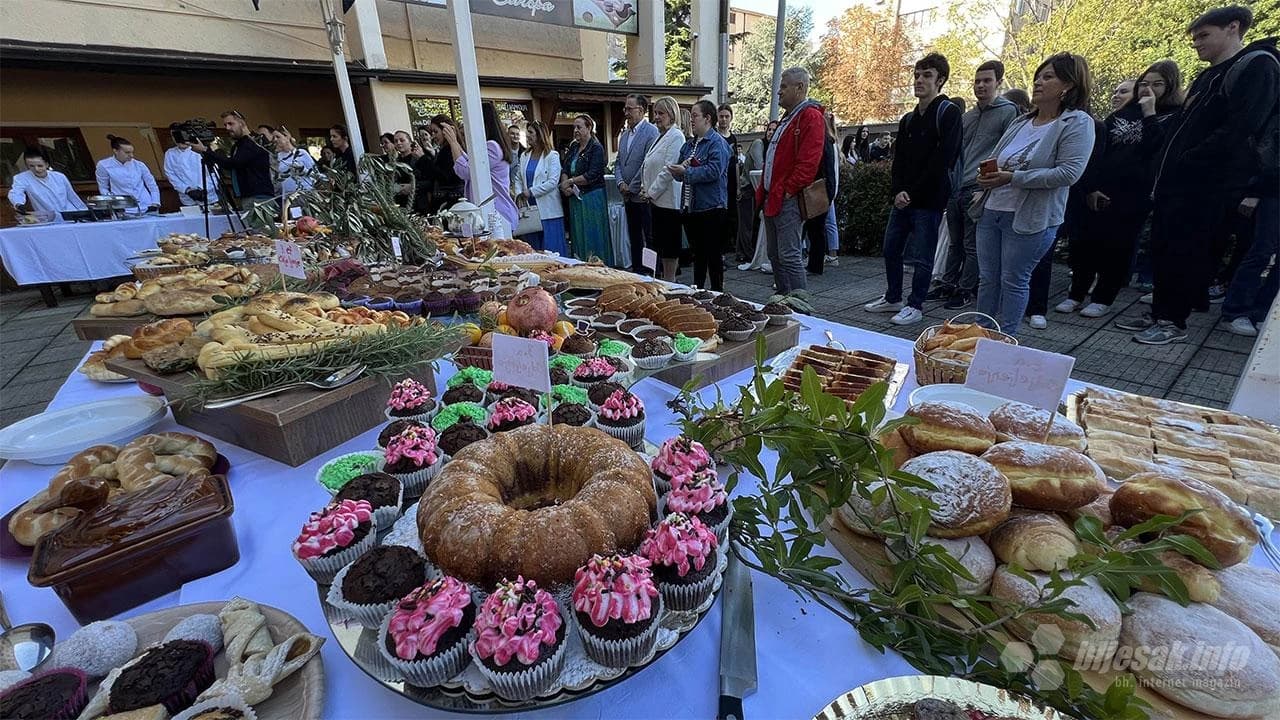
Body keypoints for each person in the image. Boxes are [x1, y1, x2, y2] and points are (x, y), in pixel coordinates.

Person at [1118, 5, 1279, 344]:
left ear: (1233, 27)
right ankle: (1160, 312)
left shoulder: (1257, 65)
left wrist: (1190, 160)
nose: (1196, 44)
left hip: (1206, 186)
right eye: (1194, 38)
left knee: (1187, 252)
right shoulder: (1208, 75)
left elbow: (1241, 128)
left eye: (1204, 35)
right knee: (1165, 249)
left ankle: (1173, 321)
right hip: (1174, 183)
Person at [973, 52, 1095, 337]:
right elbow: (997, 159)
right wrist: (986, 177)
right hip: (992, 211)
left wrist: (1013, 178)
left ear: (1069, 84)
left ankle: (1005, 341)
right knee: (988, 279)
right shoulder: (1021, 122)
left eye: (1048, 77)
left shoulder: (1077, 122)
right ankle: (978, 338)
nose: (1038, 82)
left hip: (1030, 218)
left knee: (1014, 280)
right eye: (1038, 76)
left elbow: (1068, 173)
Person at [1057, 61, 1183, 319]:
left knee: (1117, 248)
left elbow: (1157, 148)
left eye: (1157, 84)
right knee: (1085, 244)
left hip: (1134, 195)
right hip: (1101, 189)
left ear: (1170, 86)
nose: (1148, 89)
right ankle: (1076, 293)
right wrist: (1091, 187)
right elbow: (1098, 150)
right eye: (1144, 83)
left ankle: (1103, 297)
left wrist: (1150, 113)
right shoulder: (1122, 114)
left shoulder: (1173, 117)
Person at [865, 53, 963, 326]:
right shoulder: (908, 119)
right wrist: (897, 191)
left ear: (940, 80)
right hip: (904, 199)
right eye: (917, 75)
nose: (919, 80)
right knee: (891, 249)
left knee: (922, 256)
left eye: (927, 75)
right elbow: (899, 161)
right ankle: (893, 297)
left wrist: (912, 193)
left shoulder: (948, 113)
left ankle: (915, 304)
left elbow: (943, 159)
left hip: (928, 200)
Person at [931, 60, 1020, 310]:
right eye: (977, 81)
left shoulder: (1008, 113)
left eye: (987, 81)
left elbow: (1005, 152)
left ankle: (965, 289)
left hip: (978, 187)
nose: (980, 85)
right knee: (954, 242)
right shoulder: (967, 117)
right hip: (957, 186)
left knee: (972, 245)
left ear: (998, 83)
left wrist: (986, 188)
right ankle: (947, 283)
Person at [758, 66, 825, 310]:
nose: (779, 91)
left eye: (784, 86)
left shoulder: (810, 117)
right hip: (774, 196)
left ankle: (800, 307)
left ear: (800, 88)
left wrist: (789, 190)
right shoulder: (789, 118)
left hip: (786, 198)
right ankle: (784, 301)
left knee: (789, 254)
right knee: (775, 254)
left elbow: (809, 161)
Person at [668, 100, 731, 291]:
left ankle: (718, 294)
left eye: (695, 115)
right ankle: (698, 291)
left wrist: (686, 172)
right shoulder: (689, 145)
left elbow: (714, 171)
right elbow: (680, 172)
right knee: (698, 255)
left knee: (713, 256)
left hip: (711, 208)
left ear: (707, 118)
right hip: (691, 207)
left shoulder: (717, 143)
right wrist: (677, 170)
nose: (691, 120)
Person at [447, 102, 519, 235]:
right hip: (491, 213)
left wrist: (453, 142)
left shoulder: (492, 147)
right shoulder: (492, 145)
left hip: (497, 214)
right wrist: (456, 143)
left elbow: (466, 171)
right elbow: (469, 163)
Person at [639, 96, 686, 281]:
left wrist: (651, 192)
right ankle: (660, 278)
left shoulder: (676, 136)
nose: (656, 117)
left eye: (661, 113)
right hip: (655, 200)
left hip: (667, 201)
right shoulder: (660, 137)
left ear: (671, 114)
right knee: (658, 243)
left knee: (669, 246)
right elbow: (648, 165)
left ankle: (670, 280)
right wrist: (644, 188)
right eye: (655, 113)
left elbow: (668, 169)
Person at [615, 94, 660, 273]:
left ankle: (651, 272)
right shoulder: (625, 135)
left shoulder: (651, 132)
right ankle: (637, 269)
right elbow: (618, 162)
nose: (625, 112)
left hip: (643, 195)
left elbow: (647, 164)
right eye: (625, 108)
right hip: (627, 196)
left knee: (649, 236)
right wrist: (620, 183)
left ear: (641, 110)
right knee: (634, 236)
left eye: (629, 109)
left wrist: (631, 187)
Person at [190, 111, 273, 205]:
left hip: (258, 196)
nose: (227, 128)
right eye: (225, 125)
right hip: (248, 196)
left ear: (242, 123)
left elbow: (233, 163)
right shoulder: (238, 145)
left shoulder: (253, 142)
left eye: (231, 124)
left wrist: (205, 150)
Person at [561, 114, 611, 263]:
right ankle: (581, 263)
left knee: (592, 233)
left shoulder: (596, 148)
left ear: (589, 128)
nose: (575, 130)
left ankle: (597, 263)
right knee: (578, 233)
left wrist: (570, 181)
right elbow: (565, 168)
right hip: (575, 197)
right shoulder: (574, 147)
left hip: (592, 197)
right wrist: (565, 185)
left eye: (579, 127)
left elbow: (593, 174)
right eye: (574, 128)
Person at [512, 121, 567, 255]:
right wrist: (519, 194)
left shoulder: (552, 156)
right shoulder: (524, 156)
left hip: (548, 211)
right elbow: (518, 178)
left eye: (531, 132)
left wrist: (531, 192)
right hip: (528, 210)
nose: (527, 135)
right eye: (527, 132)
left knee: (551, 250)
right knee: (533, 250)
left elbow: (552, 182)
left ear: (540, 134)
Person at [8, 147, 87, 217]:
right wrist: (18, 204)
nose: (36, 169)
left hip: (71, 215)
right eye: (31, 166)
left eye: (40, 166)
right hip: (48, 219)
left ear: (46, 164)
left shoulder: (59, 176)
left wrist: (85, 212)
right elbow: (16, 192)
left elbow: (72, 197)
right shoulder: (22, 178)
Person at [806, 111, 840, 275]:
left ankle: (815, 264)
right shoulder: (829, 140)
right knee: (818, 228)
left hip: (819, 189)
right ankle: (816, 263)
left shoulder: (823, 141)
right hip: (824, 189)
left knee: (815, 229)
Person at [95, 134, 159, 212]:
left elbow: (152, 184)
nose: (131, 155)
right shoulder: (104, 165)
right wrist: (113, 204)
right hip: (123, 207)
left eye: (132, 152)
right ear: (115, 151)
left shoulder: (139, 165)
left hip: (146, 205)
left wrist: (155, 203)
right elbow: (103, 187)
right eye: (127, 152)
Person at [163, 129, 218, 207]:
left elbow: (214, 173)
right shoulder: (170, 154)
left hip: (209, 196)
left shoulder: (200, 150)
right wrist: (187, 190)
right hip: (188, 199)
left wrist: (202, 188)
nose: (178, 138)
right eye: (174, 136)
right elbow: (171, 175)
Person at [423, 115, 466, 213]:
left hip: (450, 201)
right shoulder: (446, 149)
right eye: (432, 132)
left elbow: (445, 176)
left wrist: (423, 159)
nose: (433, 136)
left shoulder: (450, 150)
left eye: (436, 132)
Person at [716, 103, 740, 262]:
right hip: (719, 181)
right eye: (721, 116)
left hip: (731, 182)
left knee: (731, 216)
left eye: (727, 116)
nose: (724, 119)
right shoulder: (714, 136)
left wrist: (738, 186)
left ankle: (728, 249)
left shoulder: (733, 138)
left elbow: (736, 163)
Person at [272, 126, 316, 198]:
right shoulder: (277, 157)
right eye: (273, 138)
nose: (275, 140)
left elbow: (315, 174)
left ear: (287, 136)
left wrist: (303, 170)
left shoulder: (301, 153)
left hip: (305, 194)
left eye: (278, 137)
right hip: (288, 196)